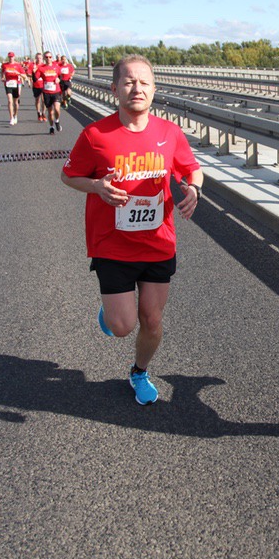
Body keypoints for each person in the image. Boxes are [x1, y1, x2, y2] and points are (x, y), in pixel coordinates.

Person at [61, 54, 203, 406]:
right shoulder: (95, 135)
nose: (136, 88)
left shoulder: (169, 133)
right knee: (122, 326)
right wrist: (96, 187)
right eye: (128, 82)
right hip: (112, 245)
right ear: (114, 89)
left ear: (154, 89)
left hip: (158, 243)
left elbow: (192, 169)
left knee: (152, 321)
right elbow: (69, 175)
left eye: (144, 82)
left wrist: (193, 188)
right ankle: (112, 314)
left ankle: (139, 372)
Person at [35, 51, 62, 133]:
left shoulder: (56, 67)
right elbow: (35, 78)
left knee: (57, 109)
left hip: (56, 91)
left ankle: (57, 121)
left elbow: (60, 76)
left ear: (52, 58)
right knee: (50, 112)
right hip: (47, 92)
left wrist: (58, 79)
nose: (48, 58)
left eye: (50, 57)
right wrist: (33, 72)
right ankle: (51, 127)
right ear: (44, 58)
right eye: (46, 57)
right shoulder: (41, 68)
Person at [0, 52, 25, 126]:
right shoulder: (4, 65)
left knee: (16, 102)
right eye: (9, 57)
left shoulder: (18, 65)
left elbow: (24, 76)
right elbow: (2, 72)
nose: (11, 58)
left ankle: (15, 115)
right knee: (10, 101)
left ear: (14, 57)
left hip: (16, 84)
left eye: (12, 57)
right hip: (8, 84)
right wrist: (3, 77)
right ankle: (11, 118)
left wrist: (18, 73)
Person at [30, 54, 47, 123]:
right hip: (36, 85)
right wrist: (33, 73)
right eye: (37, 58)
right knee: (37, 100)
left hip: (44, 85)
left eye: (40, 58)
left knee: (44, 100)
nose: (39, 59)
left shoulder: (44, 66)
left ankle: (43, 113)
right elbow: (28, 73)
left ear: (42, 58)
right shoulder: (32, 65)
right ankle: (38, 112)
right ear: (35, 58)